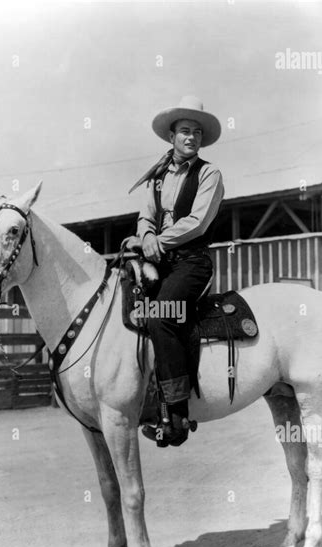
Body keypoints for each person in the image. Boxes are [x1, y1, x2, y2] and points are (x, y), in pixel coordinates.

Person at [125, 95, 224, 446]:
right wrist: (146, 234)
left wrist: (159, 242)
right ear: (172, 136)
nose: (191, 137)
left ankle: (177, 414)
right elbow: (144, 216)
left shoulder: (209, 174)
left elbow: (198, 223)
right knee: (124, 306)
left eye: (197, 132)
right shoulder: (155, 179)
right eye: (185, 131)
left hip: (192, 263)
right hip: (160, 260)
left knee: (160, 316)